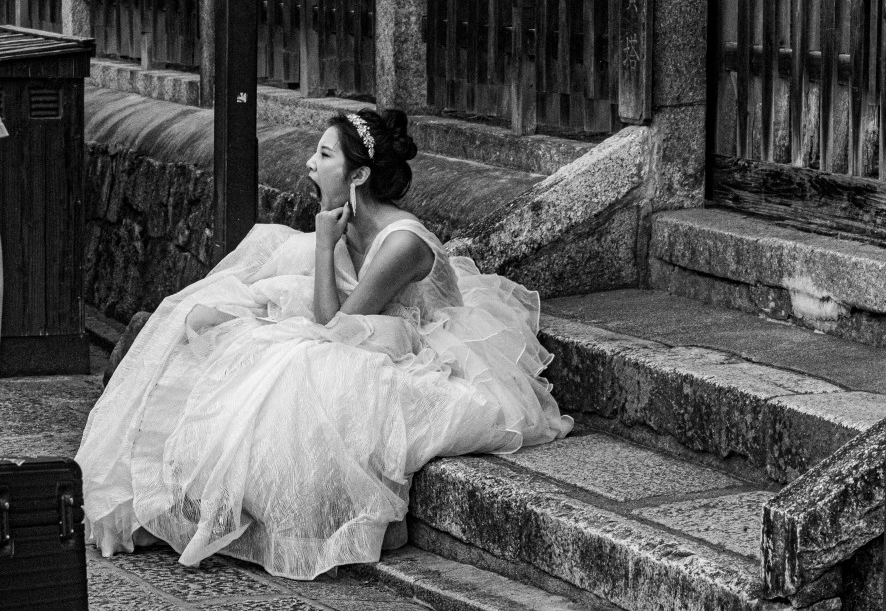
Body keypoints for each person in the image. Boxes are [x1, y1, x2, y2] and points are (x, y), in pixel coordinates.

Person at [75, 108, 572, 580]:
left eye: (325, 154)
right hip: (363, 334)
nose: (310, 164)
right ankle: (177, 495)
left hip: (422, 348)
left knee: (297, 365)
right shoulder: (347, 223)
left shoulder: (403, 242)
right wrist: (325, 246)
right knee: (218, 329)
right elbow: (332, 320)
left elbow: (335, 325)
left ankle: (250, 511)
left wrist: (322, 244)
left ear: (359, 175)